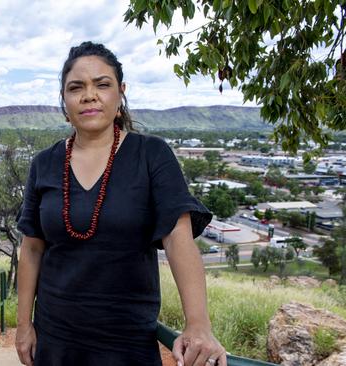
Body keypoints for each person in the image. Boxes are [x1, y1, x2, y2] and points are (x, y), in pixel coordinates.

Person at [15, 41, 227, 366]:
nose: (89, 95)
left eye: (102, 84)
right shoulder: (44, 164)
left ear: (120, 92)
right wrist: (23, 325)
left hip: (127, 340)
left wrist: (198, 324)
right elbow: (32, 248)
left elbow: (177, 237)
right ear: (64, 99)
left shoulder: (151, 155)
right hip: (55, 336)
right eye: (76, 87)